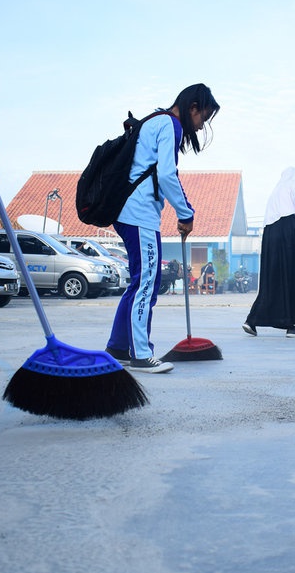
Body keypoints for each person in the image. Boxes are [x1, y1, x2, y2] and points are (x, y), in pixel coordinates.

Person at [105, 83, 220, 374]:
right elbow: (167, 175)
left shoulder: (153, 121)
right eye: (202, 118)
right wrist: (186, 214)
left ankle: (118, 347)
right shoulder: (170, 124)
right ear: (193, 108)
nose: (200, 125)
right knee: (146, 284)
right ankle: (141, 354)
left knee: (138, 282)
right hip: (140, 213)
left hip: (127, 210)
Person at [243, 167, 295, 338]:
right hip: (288, 232)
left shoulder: (276, 193)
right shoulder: (292, 185)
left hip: (271, 235)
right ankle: (293, 325)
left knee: (273, 279)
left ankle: (252, 321)